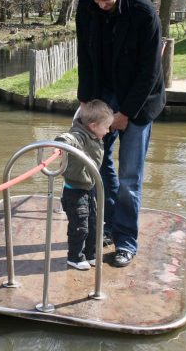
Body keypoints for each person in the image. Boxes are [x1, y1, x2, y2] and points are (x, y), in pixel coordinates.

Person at [75, 0, 166, 267]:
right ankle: (111, 224)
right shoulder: (86, 8)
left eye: (107, 1)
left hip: (139, 99)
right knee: (98, 164)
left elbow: (150, 71)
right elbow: (85, 56)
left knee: (129, 176)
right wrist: (86, 101)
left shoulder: (144, 14)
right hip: (104, 95)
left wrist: (127, 112)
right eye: (96, 0)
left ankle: (126, 241)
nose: (100, 6)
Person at [55, 100, 114, 270]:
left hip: (89, 187)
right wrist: (60, 144)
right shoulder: (80, 136)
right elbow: (69, 138)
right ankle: (74, 257)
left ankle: (91, 254)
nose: (108, 131)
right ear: (94, 125)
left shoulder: (94, 135)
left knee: (94, 223)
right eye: (106, 127)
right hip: (75, 191)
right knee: (80, 226)